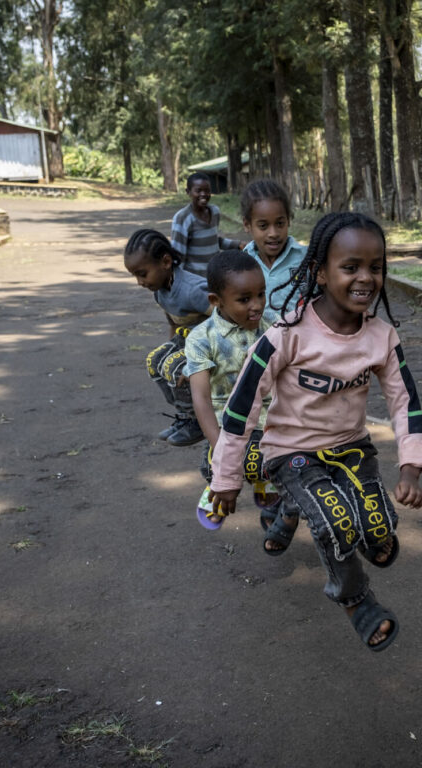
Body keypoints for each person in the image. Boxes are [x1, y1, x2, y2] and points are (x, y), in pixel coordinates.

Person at [209, 212, 422, 651]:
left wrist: (411, 466)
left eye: (376, 267)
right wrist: (226, 477)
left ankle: (337, 522)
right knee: (337, 525)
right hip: (291, 452)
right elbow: (242, 408)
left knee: (377, 528)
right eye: (350, 267)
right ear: (320, 272)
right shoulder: (285, 335)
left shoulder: (383, 337)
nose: (365, 278)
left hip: (351, 448)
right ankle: (356, 601)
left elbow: (405, 400)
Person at [184, 249, 297, 551]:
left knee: (272, 464)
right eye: (244, 299)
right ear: (215, 301)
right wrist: (222, 450)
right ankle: (216, 486)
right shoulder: (201, 338)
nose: (257, 305)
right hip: (226, 422)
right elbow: (202, 399)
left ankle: (263, 482)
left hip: (271, 419)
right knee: (215, 468)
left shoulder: (275, 325)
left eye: (261, 294)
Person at [124, 228, 210, 446]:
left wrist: (195, 360)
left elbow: (226, 318)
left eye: (142, 274)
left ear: (165, 261)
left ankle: (198, 420)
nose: (139, 282)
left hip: (209, 342)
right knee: (155, 361)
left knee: (174, 365)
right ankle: (184, 414)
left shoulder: (192, 290)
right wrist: (171, 346)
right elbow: (173, 324)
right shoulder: (160, 291)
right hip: (187, 338)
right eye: (135, 276)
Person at [241, 179, 308, 321]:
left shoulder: (306, 259)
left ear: (288, 220)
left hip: (299, 339)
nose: (273, 233)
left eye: (280, 224)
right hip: (258, 341)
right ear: (247, 225)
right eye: (263, 226)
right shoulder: (242, 263)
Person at [171, 172, 245, 278]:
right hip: (193, 279)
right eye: (198, 190)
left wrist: (238, 244)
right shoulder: (183, 218)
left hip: (214, 275)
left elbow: (213, 240)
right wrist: (177, 282)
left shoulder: (215, 212)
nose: (203, 194)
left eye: (207, 190)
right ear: (188, 192)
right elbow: (177, 254)